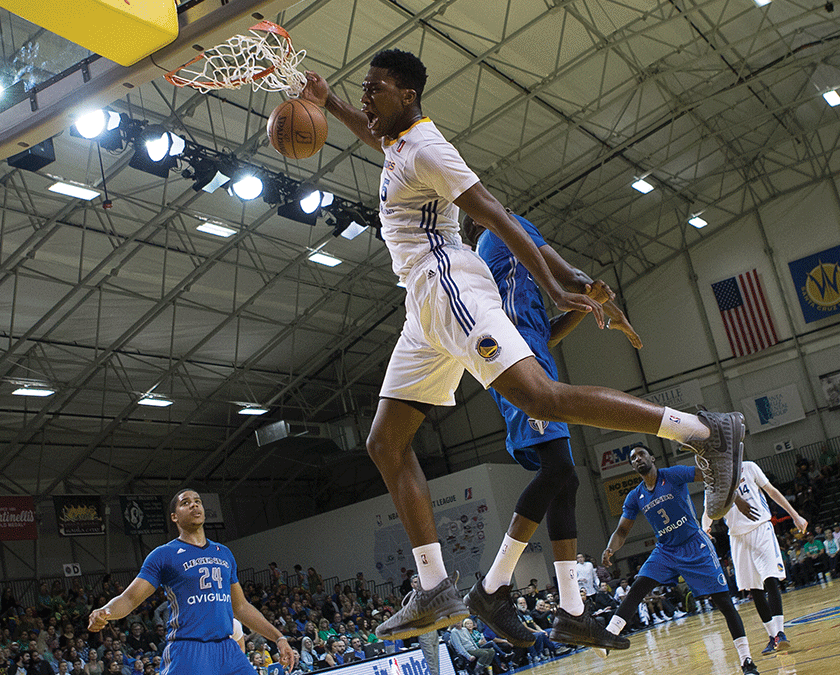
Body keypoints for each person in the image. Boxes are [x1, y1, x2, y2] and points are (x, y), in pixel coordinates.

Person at [300, 48, 745, 642]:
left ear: (406, 95)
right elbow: (368, 131)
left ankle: (703, 431)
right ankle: (433, 586)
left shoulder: (430, 148)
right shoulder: (397, 142)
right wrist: (327, 101)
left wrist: (554, 287)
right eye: (362, 90)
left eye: (373, 90)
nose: (364, 99)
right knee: (386, 442)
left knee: (543, 399)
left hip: (447, 281)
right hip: (421, 306)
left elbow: (498, 217)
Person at [452, 211, 633, 650]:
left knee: (564, 480)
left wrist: (588, 307)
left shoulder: (502, 267)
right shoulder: (503, 232)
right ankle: (492, 589)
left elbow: (542, 333)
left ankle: (572, 612)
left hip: (532, 364)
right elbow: (568, 274)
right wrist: (590, 289)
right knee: (557, 473)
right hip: (520, 372)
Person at [87, 490, 297, 675]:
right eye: (185, 502)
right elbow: (130, 598)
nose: (194, 504)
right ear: (174, 516)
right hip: (188, 649)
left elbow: (240, 606)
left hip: (227, 648)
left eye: (197, 501)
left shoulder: (223, 553)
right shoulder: (163, 555)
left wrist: (278, 638)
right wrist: (105, 611)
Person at [602, 446, 760, 674]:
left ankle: (747, 661)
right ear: (632, 466)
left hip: (695, 544)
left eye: (641, 455)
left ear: (652, 457)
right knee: (638, 587)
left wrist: (735, 498)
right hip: (665, 550)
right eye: (633, 458)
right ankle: (610, 635)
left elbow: (710, 477)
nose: (637, 459)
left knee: (724, 603)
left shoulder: (673, 474)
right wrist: (610, 548)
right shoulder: (635, 496)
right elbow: (622, 531)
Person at [701, 460, 808, 656]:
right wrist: (704, 528)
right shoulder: (713, 479)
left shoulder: (748, 467)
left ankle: (781, 633)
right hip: (737, 537)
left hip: (760, 529)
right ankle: (772, 637)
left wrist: (795, 515)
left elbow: (772, 491)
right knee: (755, 590)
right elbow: (709, 509)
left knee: (771, 580)